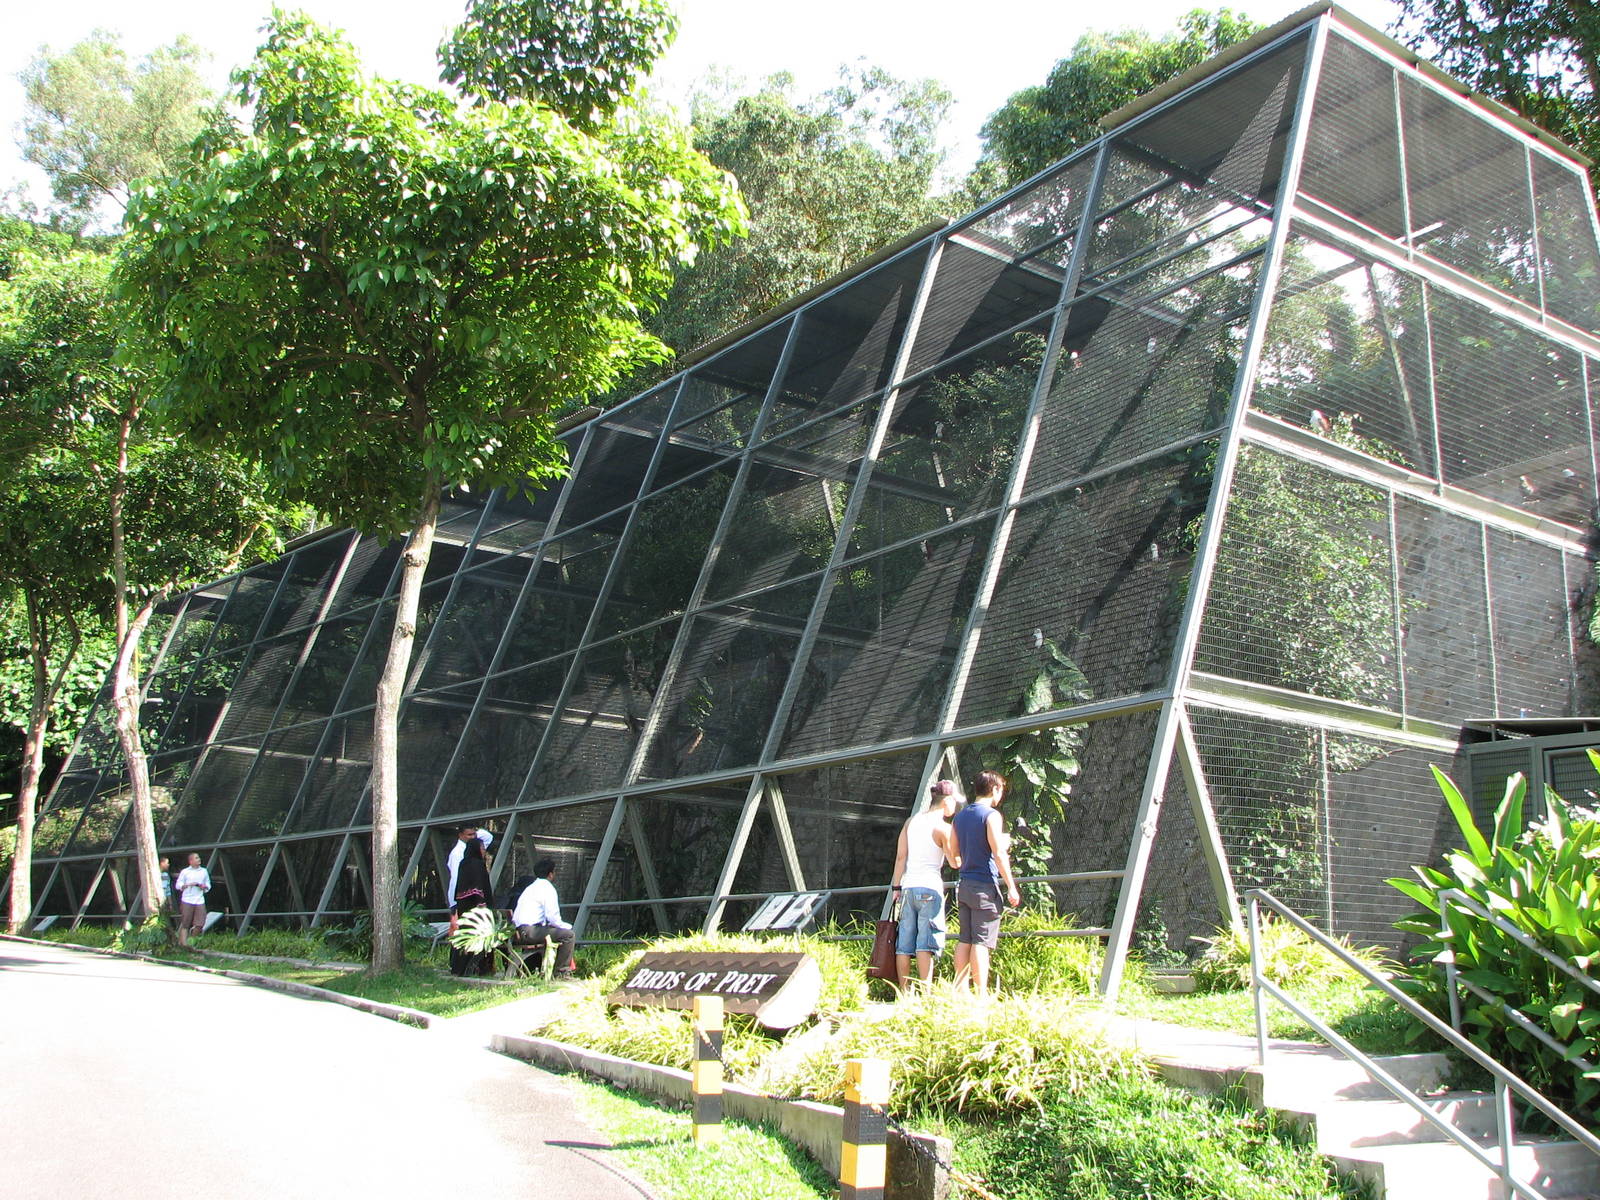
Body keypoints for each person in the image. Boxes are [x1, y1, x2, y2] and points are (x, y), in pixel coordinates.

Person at [950, 771, 1021, 992]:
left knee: (965, 939)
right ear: (995, 788)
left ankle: (960, 991)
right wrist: (1011, 887)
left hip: (964, 885)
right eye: (1001, 789)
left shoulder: (960, 816)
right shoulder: (991, 815)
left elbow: (953, 853)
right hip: (985, 886)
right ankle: (981, 994)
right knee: (981, 942)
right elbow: (998, 853)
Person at [890, 779, 960, 991]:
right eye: (954, 801)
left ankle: (904, 993)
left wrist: (896, 888)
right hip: (930, 888)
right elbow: (954, 862)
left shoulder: (911, 822)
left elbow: (900, 857)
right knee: (925, 944)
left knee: (904, 944)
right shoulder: (943, 828)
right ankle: (926, 993)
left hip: (908, 888)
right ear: (946, 801)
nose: (955, 806)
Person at [511, 858, 575, 977]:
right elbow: (553, 917)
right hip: (530, 931)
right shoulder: (548, 888)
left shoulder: (530, 888)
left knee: (550, 932)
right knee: (568, 935)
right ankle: (561, 972)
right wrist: (567, 926)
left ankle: (535, 969)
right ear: (550, 874)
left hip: (518, 931)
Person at [449, 836, 495, 977]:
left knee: (465, 936)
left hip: (464, 908)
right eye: (482, 848)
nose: (484, 851)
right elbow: (478, 887)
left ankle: (459, 968)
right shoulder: (477, 865)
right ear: (476, 849)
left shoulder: (464, 863)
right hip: (476, 909)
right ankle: (480, 968)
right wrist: (483, 907)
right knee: (479, 937)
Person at [444, 824, 494, 925]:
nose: (472, 837)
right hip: (466, 901)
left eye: (474, 834)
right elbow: (456, 879)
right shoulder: (457, 854)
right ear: (460, 835)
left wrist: (475, 833)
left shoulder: (474, 849)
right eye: (469, 835)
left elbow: (488, 837)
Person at [173, 852, 211, 947]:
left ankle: (191, 939)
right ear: (191, 861)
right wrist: (185, 885)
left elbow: (208, 884)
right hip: (187, 899)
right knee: (185, 923)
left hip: (199, 900)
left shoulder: (204, 871)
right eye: (196, 858)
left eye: (199, 858)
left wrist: (204, 886)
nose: (199, 859)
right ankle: (184, 945)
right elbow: (178, 885)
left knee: (200, 923)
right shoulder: (185, 872)